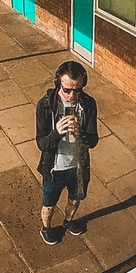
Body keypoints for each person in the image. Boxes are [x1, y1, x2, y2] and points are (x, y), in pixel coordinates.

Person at [35, 60, 99, 244]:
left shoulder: (88, 104)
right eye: (67, 90)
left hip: (79, 167)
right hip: (55, 169)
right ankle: (46, 228)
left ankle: (68, 221)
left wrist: (82, 136)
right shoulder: (45, 105)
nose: (72, 95)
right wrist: (56, 133)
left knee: (75, 199)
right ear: (58, 83)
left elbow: (93, 140)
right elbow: (42, 143)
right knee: (49, 204)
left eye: (77, 90)